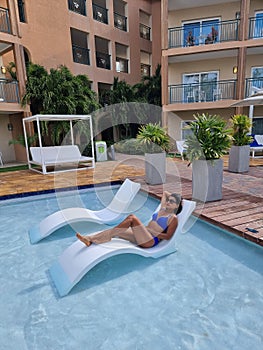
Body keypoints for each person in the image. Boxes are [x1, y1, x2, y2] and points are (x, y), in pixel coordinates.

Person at [76, 191, 183, 249]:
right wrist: (174, 198)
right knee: (116, 231)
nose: (168, 202)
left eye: (172, 202)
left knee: (132, 218)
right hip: (143, 235)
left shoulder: (173, 218)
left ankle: (95, 238)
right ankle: (90, 239)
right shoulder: (163, 208)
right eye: (168, 201)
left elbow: (168, 237)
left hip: (151, 240)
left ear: (176, 206)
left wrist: (152, 232)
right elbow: (165, 193)